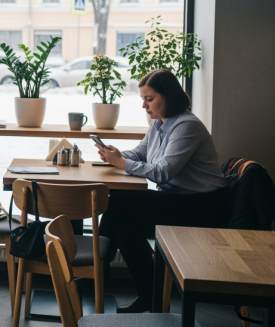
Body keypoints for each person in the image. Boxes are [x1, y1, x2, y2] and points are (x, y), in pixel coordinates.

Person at [96, 69, 228, 313]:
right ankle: (149, 296)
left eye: (149, 99)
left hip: (201, 207)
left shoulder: (187, 126)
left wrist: (121, 163)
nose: (144, 106)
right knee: (125, 227)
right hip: (177, 200)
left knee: (120, 201)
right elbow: (140, 154)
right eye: (143, 100)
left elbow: (163, 172)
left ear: (168, 96)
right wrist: (115, 155)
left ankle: (98, 270)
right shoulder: (159, 124)